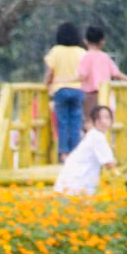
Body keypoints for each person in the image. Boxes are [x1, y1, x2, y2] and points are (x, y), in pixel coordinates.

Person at [53, 105, 117, 196]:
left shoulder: (93, 135)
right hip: (76, 187)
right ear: (94, 121)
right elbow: (109, 164)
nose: (104, 121)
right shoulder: (97, 136)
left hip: (70, 186)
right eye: (100, 118)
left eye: (107, 117)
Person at [45, 22, 86, 162]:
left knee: (62, 122)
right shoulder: (81, 52)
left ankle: (63, 153)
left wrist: (46, 84)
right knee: (76, 122)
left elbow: (50, 71)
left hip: (60, 89)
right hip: (77, 90)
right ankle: (75, 152)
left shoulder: (56, 51)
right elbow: (85, 73)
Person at [77, 25, 127, 127]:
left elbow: (82, 75)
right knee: (107, 123)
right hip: (107, 95)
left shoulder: (85, 57)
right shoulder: (105, 57)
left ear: (85, 41)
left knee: (91, 122)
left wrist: (64, 80)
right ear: (102, 42)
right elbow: (117, 74)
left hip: (91, 96)